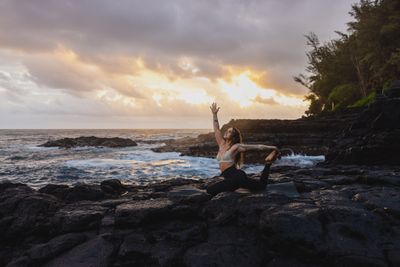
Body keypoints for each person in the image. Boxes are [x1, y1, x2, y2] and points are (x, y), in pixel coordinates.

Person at [206, 102, 281, 196]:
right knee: (210, 190)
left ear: (233, 136)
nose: (226, 132)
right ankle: (236, 187)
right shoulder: (221, 144)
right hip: (228, 177)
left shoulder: (236, 147)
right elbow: (216, 129)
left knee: (261, 186)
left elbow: (256, 147)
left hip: (237, 176)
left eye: (229, 132)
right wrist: (214, 115)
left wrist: (272, 147)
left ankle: (268, 163)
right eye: (227, 130)